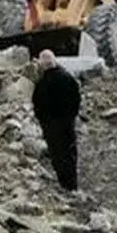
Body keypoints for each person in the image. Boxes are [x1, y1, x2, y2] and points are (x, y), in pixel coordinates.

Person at [32, 50, 82, 191]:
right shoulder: (68, 78)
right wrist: (72, 116)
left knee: (57, 155)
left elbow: (37, 105)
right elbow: (76, 99)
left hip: (51, 127)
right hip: (67, 123)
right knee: (70, 153)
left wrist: (43, 122)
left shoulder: (41, 84)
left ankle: (64, 185)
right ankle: (73, 185)